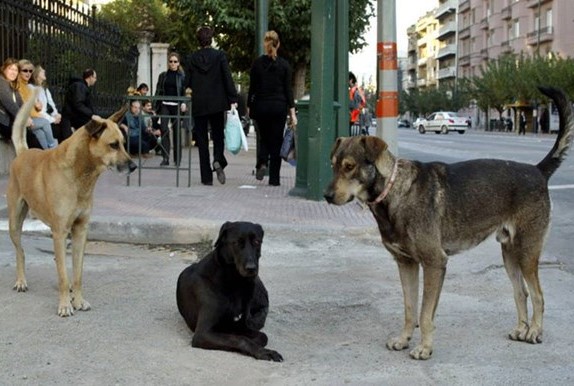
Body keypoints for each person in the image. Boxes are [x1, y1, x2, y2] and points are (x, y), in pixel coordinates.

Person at [185, 26, 239, 185]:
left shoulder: (191, 58)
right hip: (218, 102)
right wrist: (232, 98)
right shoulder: (220, 56)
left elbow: (187, 81)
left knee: (202, 141)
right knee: (218, 136)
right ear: (211, 39)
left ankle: (206, 178)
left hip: (199, 103)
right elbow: (227, 77)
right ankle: (218, 159)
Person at [247, 30, 297, 186]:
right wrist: (292, 113)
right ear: (278, 44)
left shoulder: (257, 64)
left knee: (264, 137)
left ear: (265, 44)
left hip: (261, 106)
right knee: (276, 141)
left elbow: (252, 88)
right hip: (279, 107)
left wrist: (249, 106)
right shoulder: (285, 66)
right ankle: (274, 179)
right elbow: (288, 91)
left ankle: (262, 163)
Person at [155, 52, 187, 166]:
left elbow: (185, 92)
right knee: (164, 129)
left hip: (176, 106)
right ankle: (165, 158)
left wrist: (183, 103)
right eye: (171, 61)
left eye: (175, 62)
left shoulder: (182, 77)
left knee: (177, 132)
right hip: (165, 105)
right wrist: (155, 107)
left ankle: (177, 159)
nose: (172, 64)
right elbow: (158, 91)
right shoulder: (163, 75)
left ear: (178, 63)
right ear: (168, 62)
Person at [18, 59, 57, 149]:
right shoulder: (20, 86)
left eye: (30, 71)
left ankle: (46, 153)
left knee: (41, 134)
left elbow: (35, 106)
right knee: (45, 123)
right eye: (25, 71)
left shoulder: (27, 86)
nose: (28, 73)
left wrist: (38, 107)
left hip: (34, 118)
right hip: (27, 120)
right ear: (19, 71)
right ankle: (53, 148)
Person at [60, 68, 99, 141]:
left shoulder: (81, 86)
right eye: (95, 78)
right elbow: (78, 104)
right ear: (90, 77)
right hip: (71, 119)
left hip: (73, 118)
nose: (95, 80)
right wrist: (91, 115)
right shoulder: (80, 86)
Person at [0, 58, 32, 141]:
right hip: (2, 121)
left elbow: (21, 103)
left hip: (11, 121)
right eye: (10, 69)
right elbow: (9, 103)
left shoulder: (12, 85)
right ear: (4, 69)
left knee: (31, 135)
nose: (13, 72)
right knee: (29, 137)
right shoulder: (1, 82)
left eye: (16, 70)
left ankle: (41, 152)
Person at [31, 65, 62, 133]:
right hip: (42, 119)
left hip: (49, 117)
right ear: (36, 74)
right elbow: (39, 111)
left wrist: (56, 114)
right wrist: (52, 119)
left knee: (64, 122)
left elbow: (51, 103)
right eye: (41, 70)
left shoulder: (44, 88)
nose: (44, 71)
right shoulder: (32, 88)